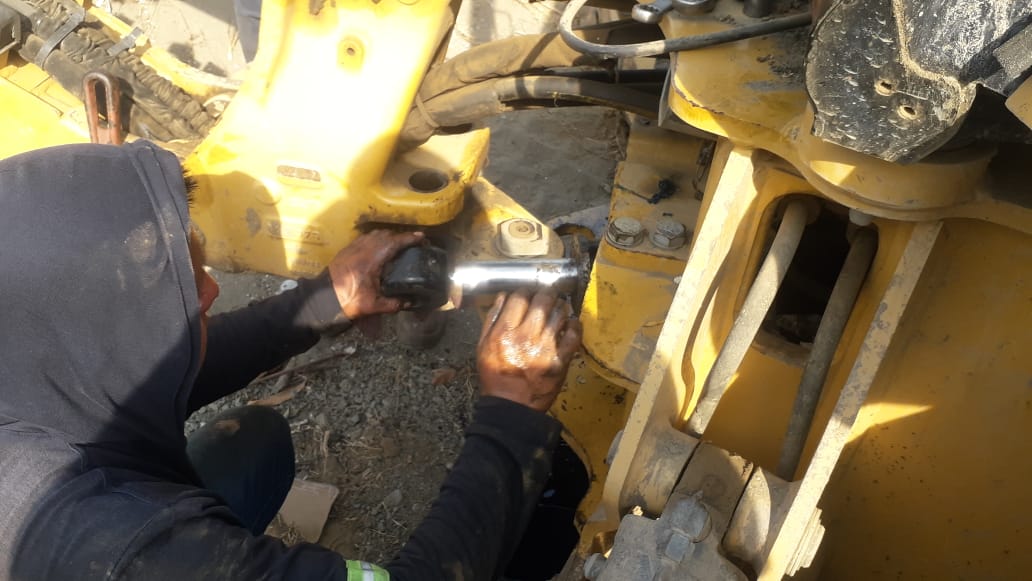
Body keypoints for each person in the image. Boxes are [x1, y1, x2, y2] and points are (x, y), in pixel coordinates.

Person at [0, 140, 582, 580]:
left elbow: (157, 369)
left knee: (251, 443)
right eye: (184, 287)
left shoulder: (27, 354)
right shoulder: (127, 550)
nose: (211, 291)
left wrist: (326, 298)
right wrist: (512, 412)